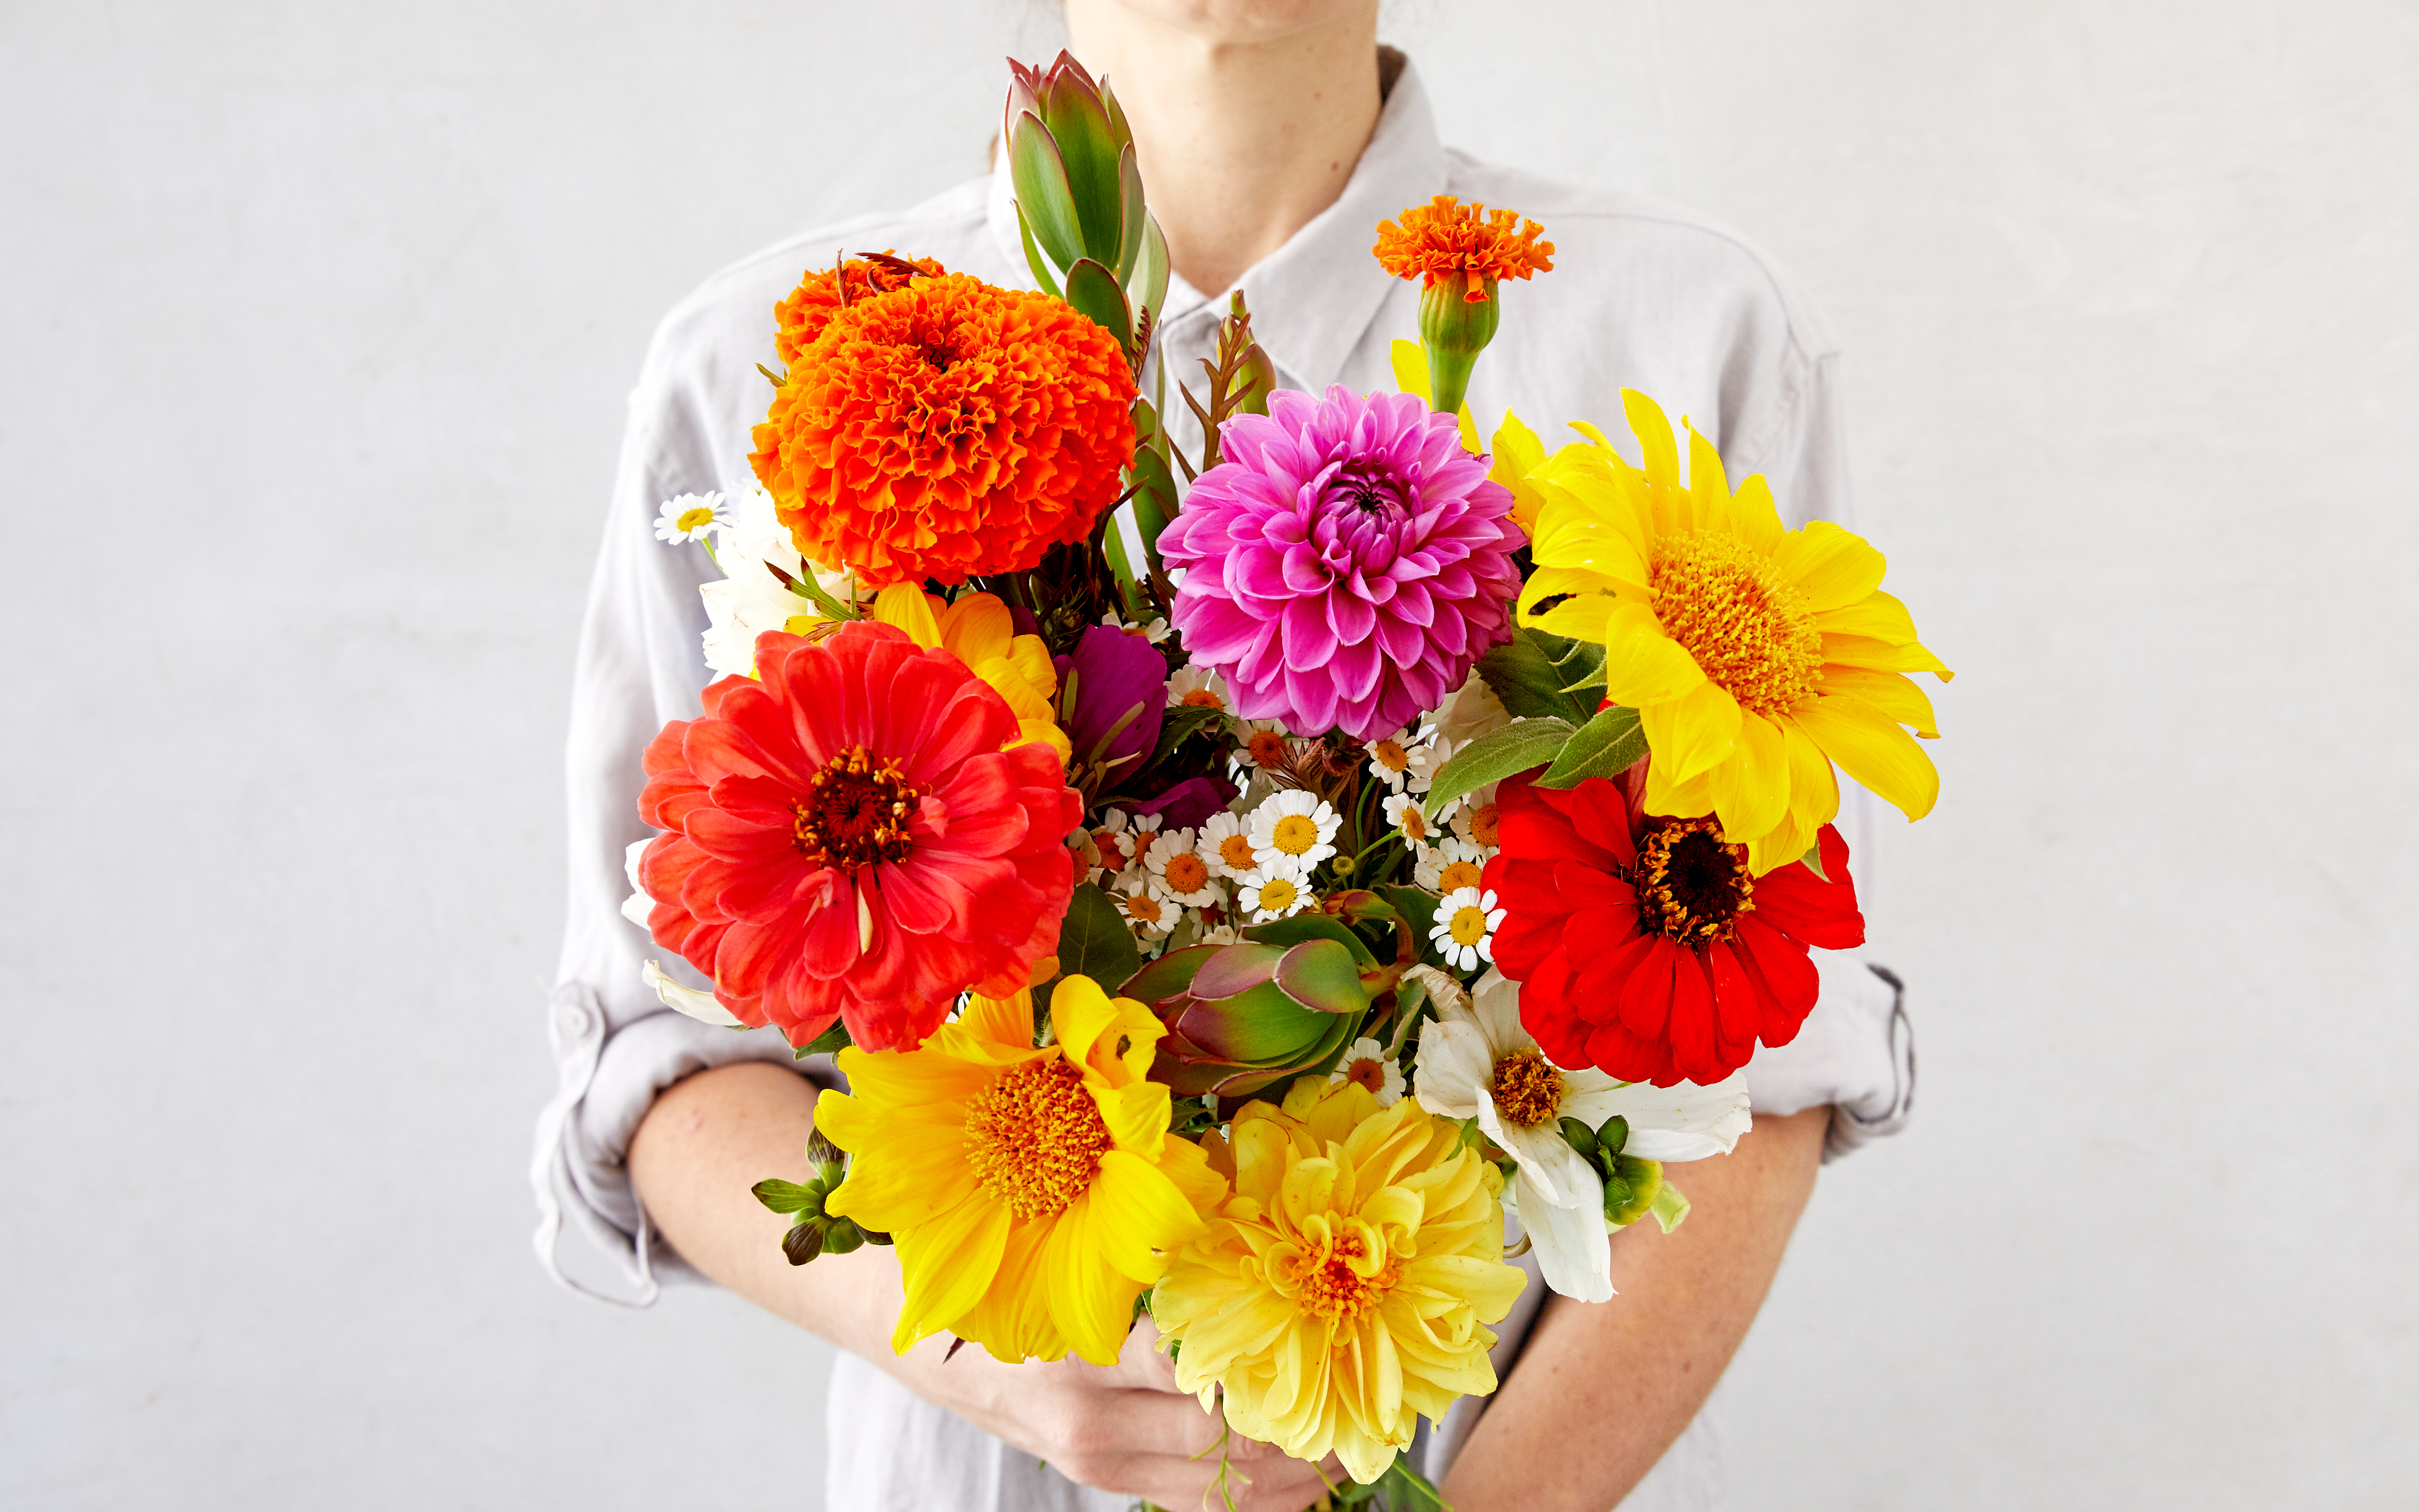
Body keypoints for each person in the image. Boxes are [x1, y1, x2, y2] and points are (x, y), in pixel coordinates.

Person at [531, 2, 1916, 1507]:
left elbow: (1773, 1039)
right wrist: (997, 1351)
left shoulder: (1681, 327)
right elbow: (658, 1057)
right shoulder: (758, 370)